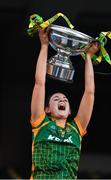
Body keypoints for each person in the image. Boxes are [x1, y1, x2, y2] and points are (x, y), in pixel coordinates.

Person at [30, 29, 99, 179]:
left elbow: (89, 92)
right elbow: (39, 83)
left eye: (65, 100)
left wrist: (88, 56)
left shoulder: (77, 129)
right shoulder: (40, 123)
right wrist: (44, 46)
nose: (62, 100)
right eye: (56, 99)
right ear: (46, 109)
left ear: (69, 111)